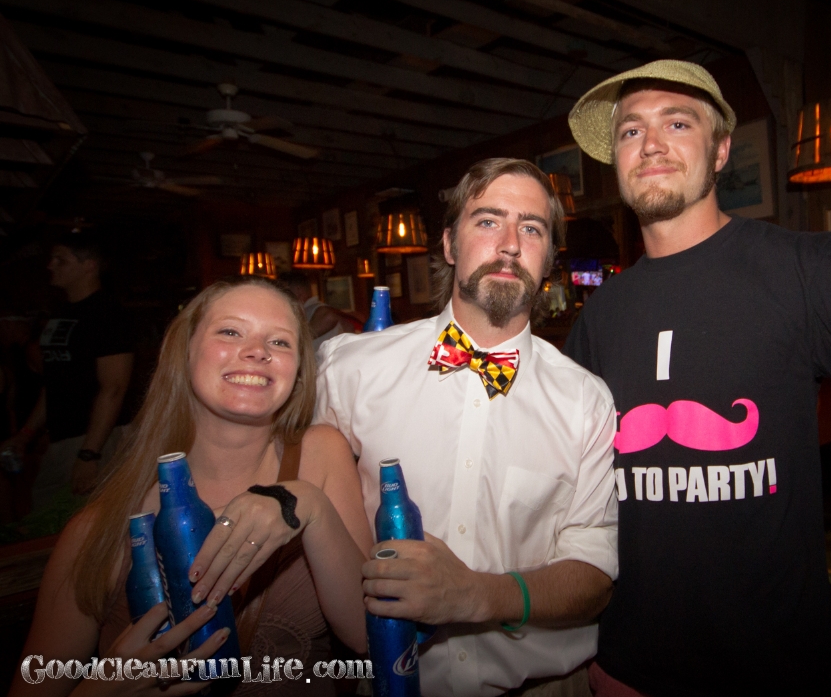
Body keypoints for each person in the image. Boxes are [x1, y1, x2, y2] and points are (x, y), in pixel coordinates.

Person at [562, 59, 831, 696]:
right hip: (628, 670)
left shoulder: (804, 271)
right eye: (631, 130)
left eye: (677, 123)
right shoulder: (599, 317)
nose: (650, 143)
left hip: (774, 672)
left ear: (720, 152)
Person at [314, 158, 619, 697]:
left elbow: (594, 576)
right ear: (450, 244)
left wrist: (477, 595)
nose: (509, 244)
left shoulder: (586, 402)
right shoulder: (349, 370)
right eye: (488, 221)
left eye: (531, 228)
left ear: (549, 257)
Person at [13, 276, 370, 697]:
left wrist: (308, 505)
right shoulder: (99, 530)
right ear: (184, 352)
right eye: (230, 332)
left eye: (280, 342)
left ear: (297, 371)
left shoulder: (320, 455)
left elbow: (368, 637)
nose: (258, 351)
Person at [2, 230, 133, 509]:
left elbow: (113, 388)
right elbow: (54, 383)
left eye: (60, 260)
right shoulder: (62, 313)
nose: (50, 265)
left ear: (89, 266)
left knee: (87, 519)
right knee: (49, 514)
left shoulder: (107, 313)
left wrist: (89, 453)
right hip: (63, 439)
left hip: (96, 438)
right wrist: (26, 434)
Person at [278, 271, 353, 350]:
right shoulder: (310, 310)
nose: (281, 295)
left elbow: (329, 316)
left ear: (298, 290)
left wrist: (296, 340)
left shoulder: (315, 309)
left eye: (285, 291)